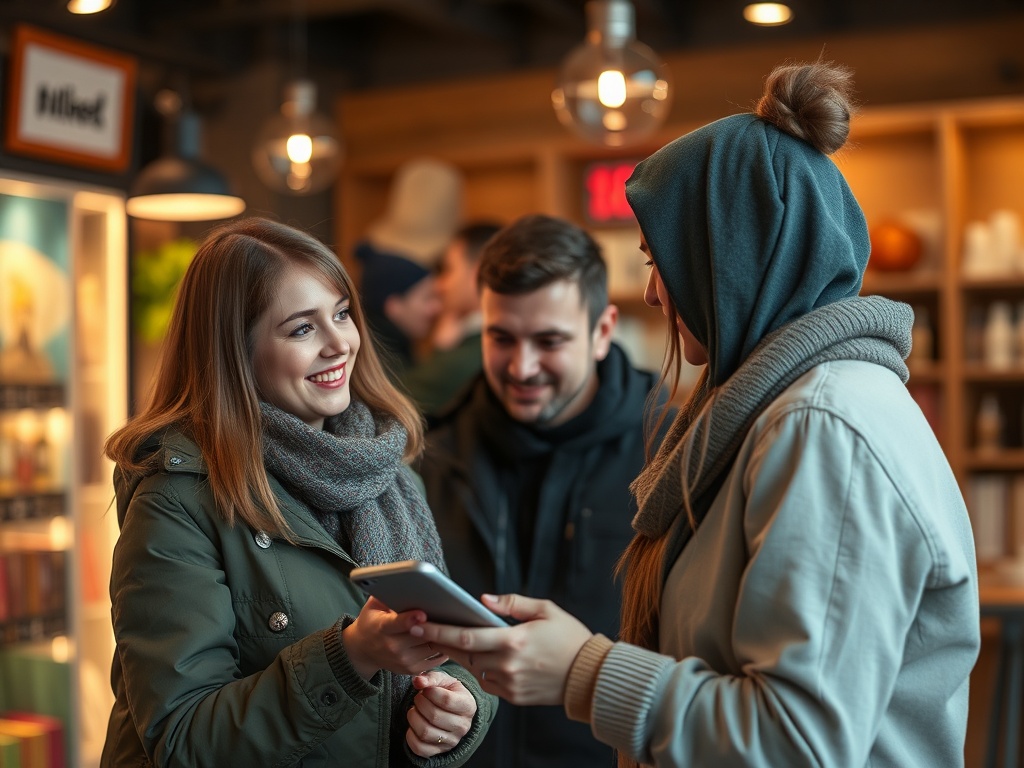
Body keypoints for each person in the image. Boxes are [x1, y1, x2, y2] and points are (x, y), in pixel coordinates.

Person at [412, 62, 981, 767]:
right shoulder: (784, 409)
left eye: (660, 260)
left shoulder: (823, 425)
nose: (654, 293)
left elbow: (797, 743)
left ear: (731, 260)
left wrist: (583, 670)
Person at [100, 217, 496, 767]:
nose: (340, 344)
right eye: (301, 329)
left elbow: (444, 647)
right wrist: (349, 657)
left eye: (341, 314)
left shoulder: (387, 470)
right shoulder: (177, 500)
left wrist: (460, 708)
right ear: (234, 353)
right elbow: (182, 739)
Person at [417, 213, 670, 767]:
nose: (522, 366)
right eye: (501, 337)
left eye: (549, 341)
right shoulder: (431, 454)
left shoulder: (673, 448)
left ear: (603, 332)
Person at [357, 158, 463, 377]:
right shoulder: (381, 357)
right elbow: (411, 400)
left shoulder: (383, 341)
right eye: (427, 298)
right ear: (393, 304)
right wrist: (442, 354)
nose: (436, 307)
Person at [401, 220, 503, 416]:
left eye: (448, 270)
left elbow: (392, 399)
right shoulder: (472, 340)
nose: (440, 285)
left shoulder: (477, 350)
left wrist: (441, 351)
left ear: (478, 275)